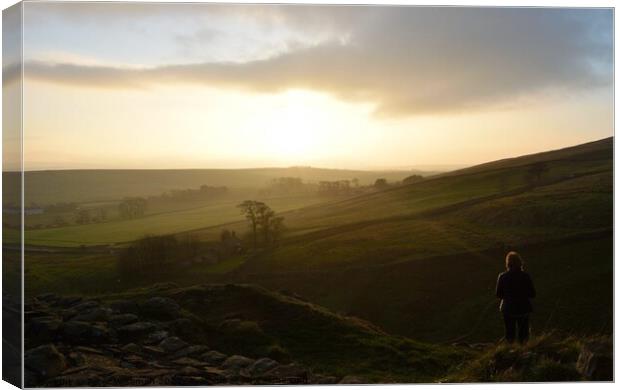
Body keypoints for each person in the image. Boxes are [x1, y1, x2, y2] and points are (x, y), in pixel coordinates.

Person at [495, 251, 536, 344]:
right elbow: (533, 294)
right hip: (524, 309)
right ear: (520, 262)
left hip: (508, 309)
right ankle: (524, 352)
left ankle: (510, 352)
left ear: (508, 263)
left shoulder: (502, 276)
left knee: (509, 334)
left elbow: (498, 294)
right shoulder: (526, 276)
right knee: (524, 334)